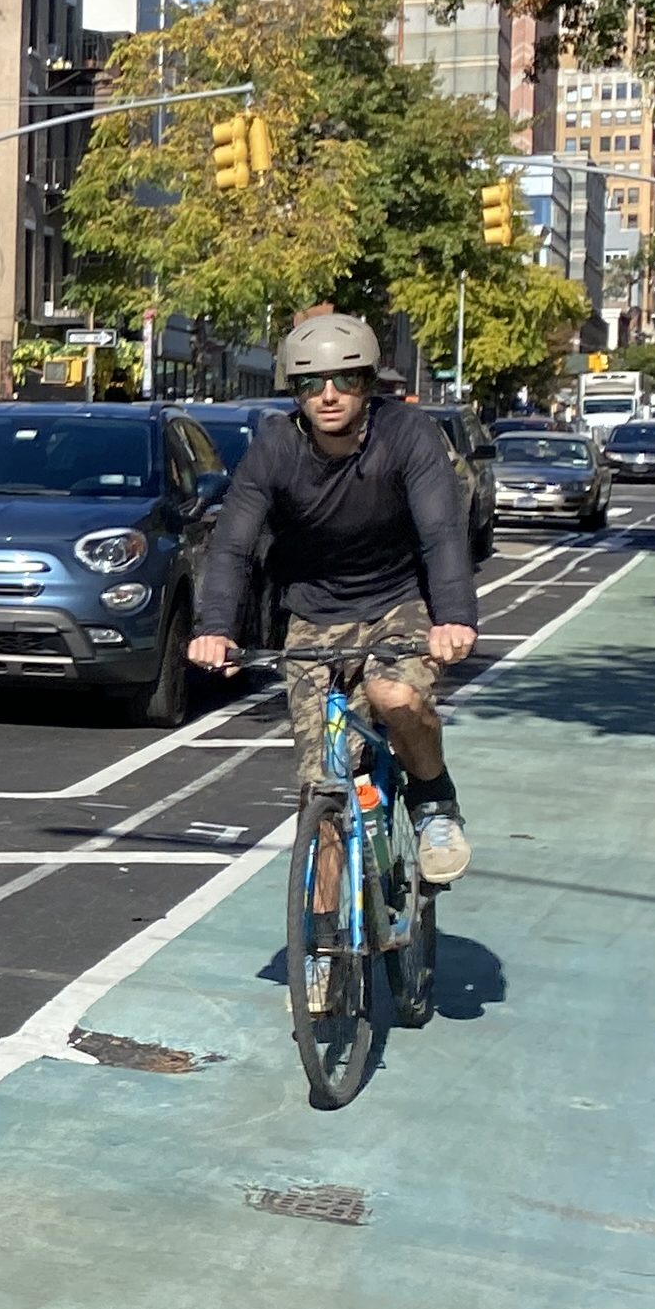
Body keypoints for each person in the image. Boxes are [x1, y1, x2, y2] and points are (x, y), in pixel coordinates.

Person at [186, 313, 484, 883]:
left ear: (368, 383)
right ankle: (324, 954)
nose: (328, 396)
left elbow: (442, 532)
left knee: (393, 695)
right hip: (313, 613)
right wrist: (215, 627)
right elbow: (232, 546)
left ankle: (433, 802)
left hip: (399, 601)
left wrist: (454, 619)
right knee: (325, 779)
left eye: (344, 380)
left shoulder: (408, 435)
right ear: (293, 392)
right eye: (309, 383)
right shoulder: (274, 449)